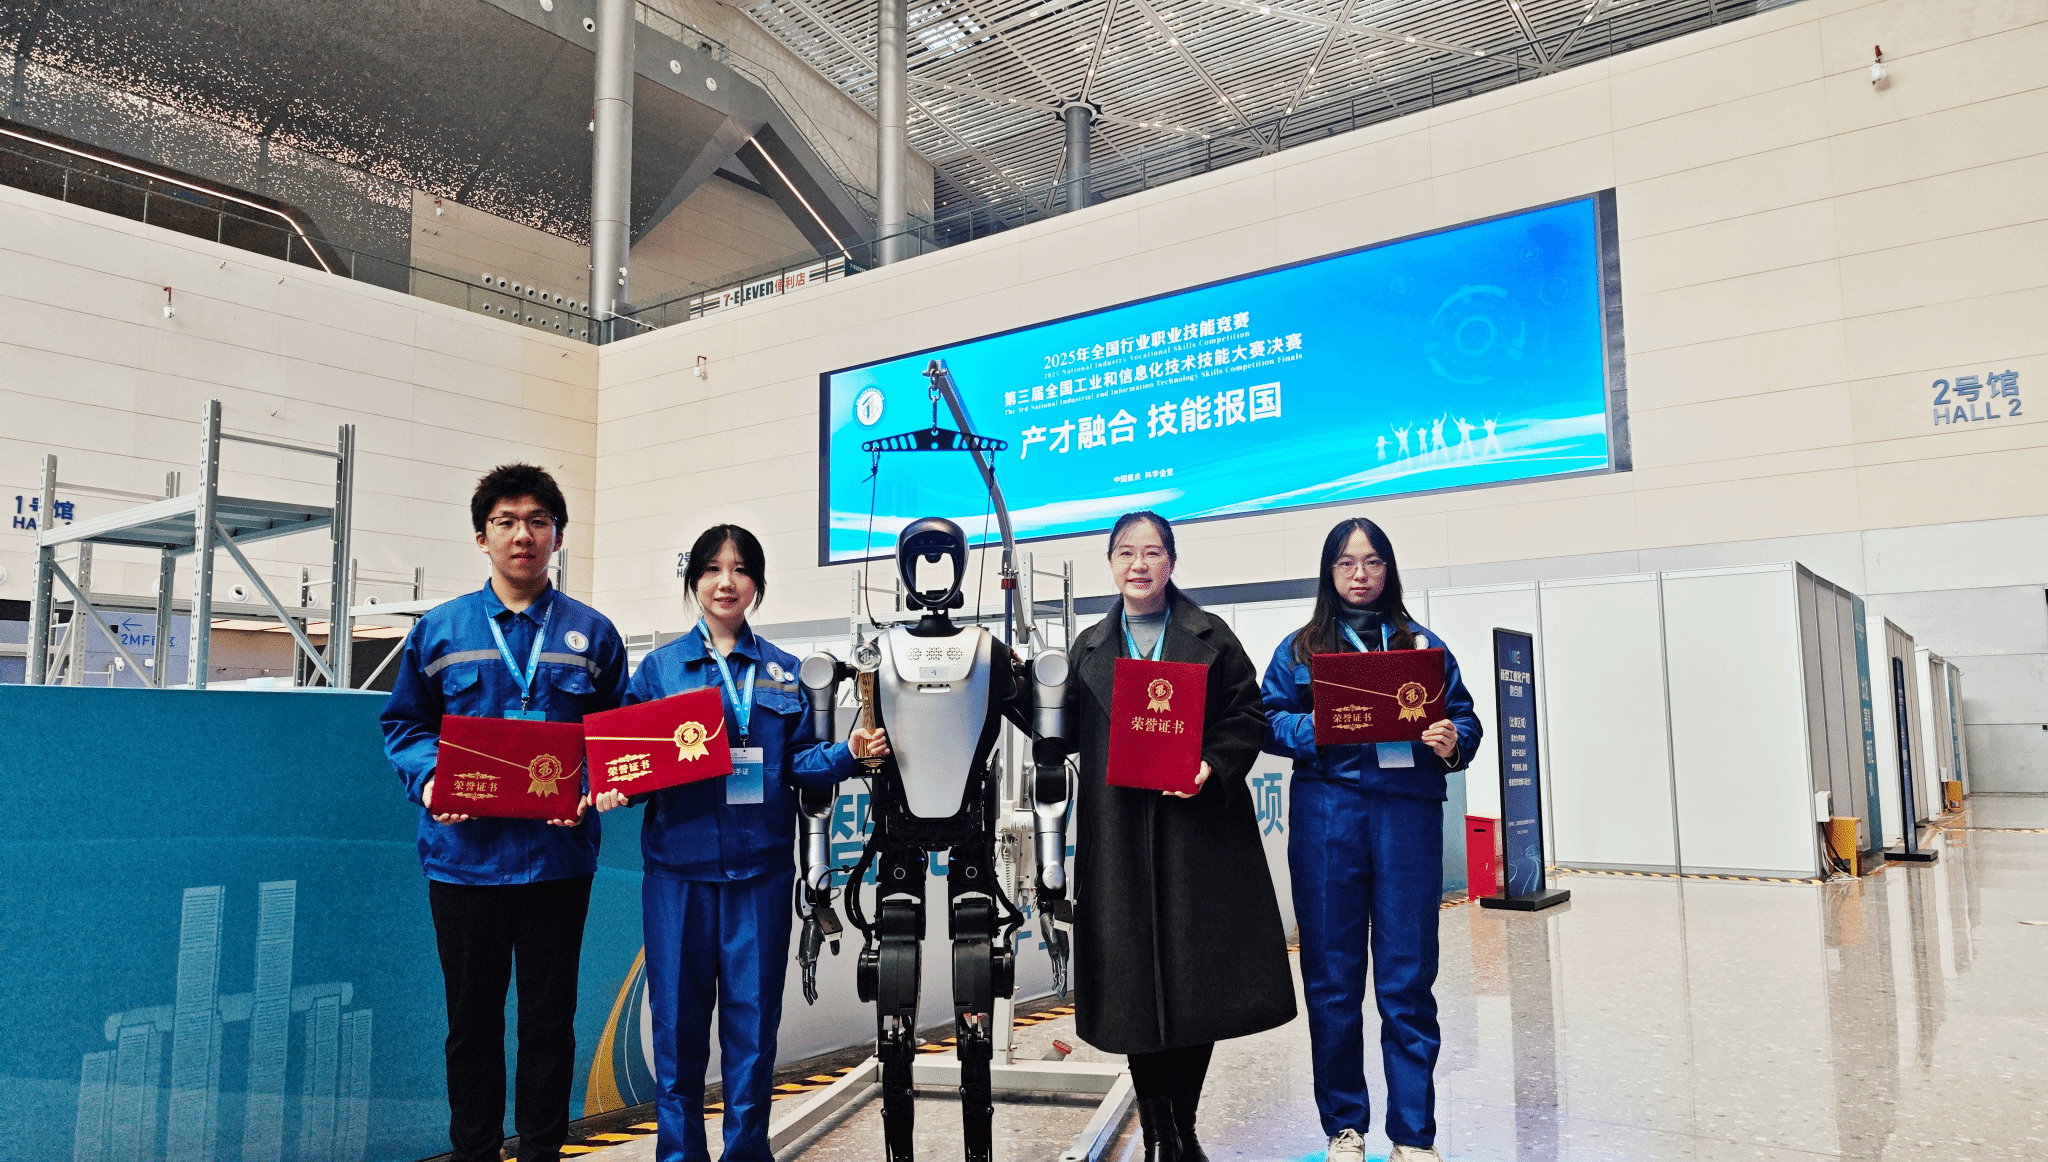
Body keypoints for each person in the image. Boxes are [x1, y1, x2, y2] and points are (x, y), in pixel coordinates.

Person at [592, 524, 887, 1162]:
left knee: (753, 1028)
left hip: (760, 874)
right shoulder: (660, 670)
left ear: (757, 583)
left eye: (741, 569)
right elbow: (631, 763)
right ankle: (679, 1155)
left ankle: (747, 1152)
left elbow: (799, 763)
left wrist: (849, 753)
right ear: (693, 580)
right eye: (712, 569)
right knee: (676, 1028)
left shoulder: (784, 671)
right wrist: (616, 788)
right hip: (678, 874)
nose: (726, 583)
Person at [381, 463, 628, 1162]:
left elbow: (616, 738)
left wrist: (590, 786)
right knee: (471, 1026)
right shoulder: (439, 630)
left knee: (550, 1024)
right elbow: (405, 725)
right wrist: (433, 781)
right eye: (507, 522)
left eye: (538, 522)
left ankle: (543, 1153)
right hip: (465, 865)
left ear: (558, 537)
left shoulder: (594, 635)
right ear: (482, 537)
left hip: (557, 862)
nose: (523, 535)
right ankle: (476, 1153)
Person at [1066, 511, 1296, 1162]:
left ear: (1172, 561)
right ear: (1111, 563)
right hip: (1119, 836)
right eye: (1125, 552)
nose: (1138, 564)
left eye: (1152, 552)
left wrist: (1211, 766)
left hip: (1198, 833)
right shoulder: (1088, 647)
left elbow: (1248, 716)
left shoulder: (1210, 635)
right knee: (1135, 988)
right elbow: (1060, 728)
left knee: (1197, 986)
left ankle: (1183, 1124)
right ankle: (1160, 1132)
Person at [1260, 517, 1483, 1162]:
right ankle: (1345, 1127)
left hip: (1407, 814)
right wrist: (1317, 728)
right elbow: (1267, 718)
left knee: (1407, 978)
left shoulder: (1423, 647)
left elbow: (1465, 718)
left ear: (1389, 569)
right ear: (1328, 573)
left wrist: (1452, 740)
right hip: (1329, 815)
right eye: (1346, 563)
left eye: (1373, 562)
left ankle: (1413, 1134)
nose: (1360, 575)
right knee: (1332, 978)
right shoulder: (1300, 650)